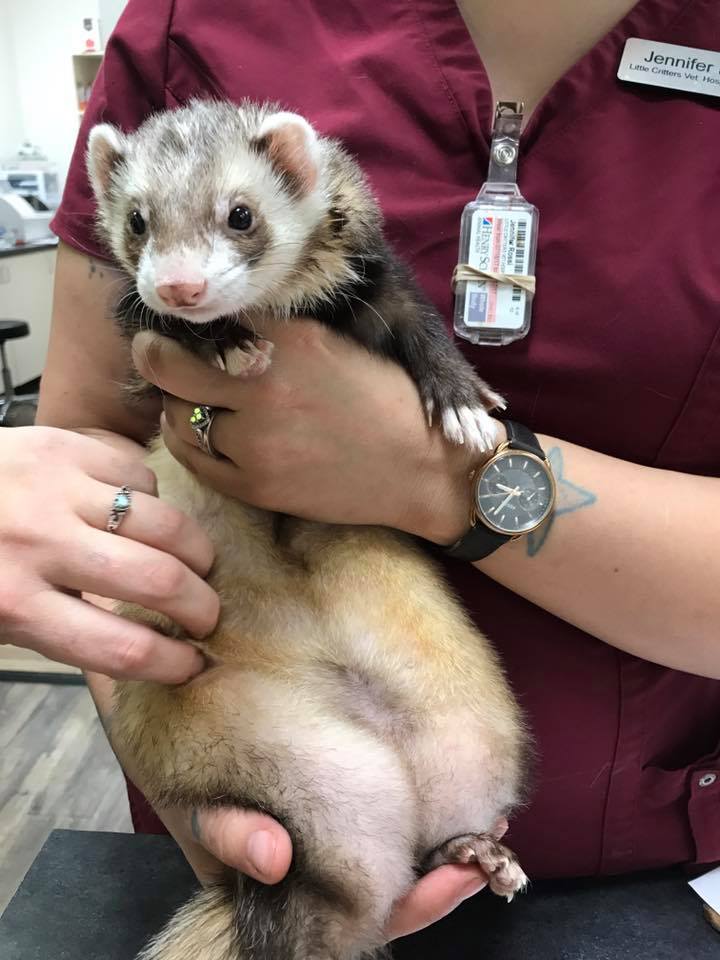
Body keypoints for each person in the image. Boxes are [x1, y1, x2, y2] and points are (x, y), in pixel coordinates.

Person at [11, 0, 719, 945]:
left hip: (637, 871)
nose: (178, 275)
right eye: (142, 230)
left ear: (295, 178)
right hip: (255, 789)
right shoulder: (189, 22)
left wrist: (432, 478)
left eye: (231, 220)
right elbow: (92, 436)